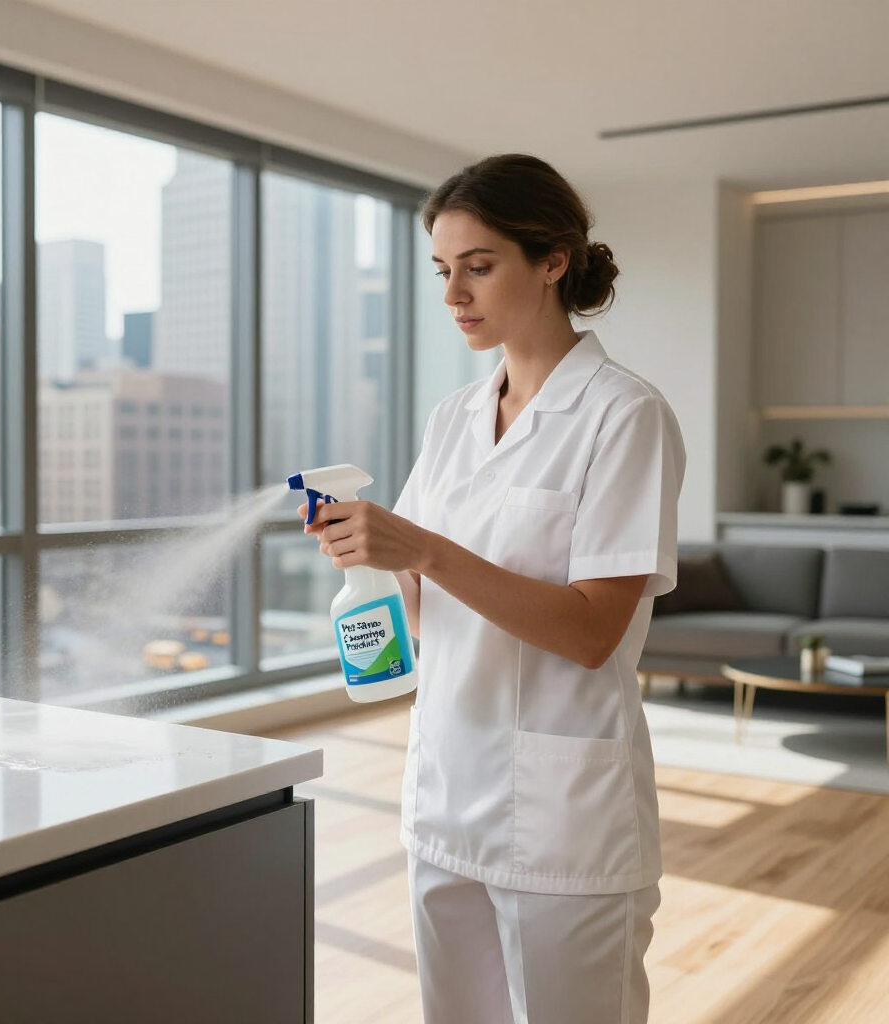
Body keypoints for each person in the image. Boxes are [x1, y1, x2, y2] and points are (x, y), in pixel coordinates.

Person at [303, 153, 685, 1024]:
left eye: (479, 266)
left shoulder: (625, 417)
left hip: (562, 817)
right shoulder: (453, 418)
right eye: (443, 271)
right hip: (445, 794)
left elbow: (593, 631)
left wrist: (425, 550)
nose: (454, 295)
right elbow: (418, 589)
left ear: (552, 260)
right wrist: (369, 555)